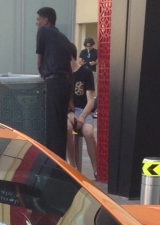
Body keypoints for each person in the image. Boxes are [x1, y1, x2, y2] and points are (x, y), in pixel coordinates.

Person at [35, 7, 72, 159]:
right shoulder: (64, 38)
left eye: (38, 19)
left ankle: (53, 164)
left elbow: (40, 60)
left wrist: (42, 75)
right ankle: (61, 162)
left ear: (46, 20)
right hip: (65, 83)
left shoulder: (43, 32)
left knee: (52, 126)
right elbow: (69, 68)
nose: (36, 23)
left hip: (53, 82)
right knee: (61, 126)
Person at [67, 42, 98, 178]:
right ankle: (73, 166)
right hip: (68, 111)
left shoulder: (85, 73)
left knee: (89, 132)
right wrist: (70, 113)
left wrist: (82, 117)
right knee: (67, 128)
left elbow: (91, 100)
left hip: (83, 110)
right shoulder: (63, 74)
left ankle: (96, 170)